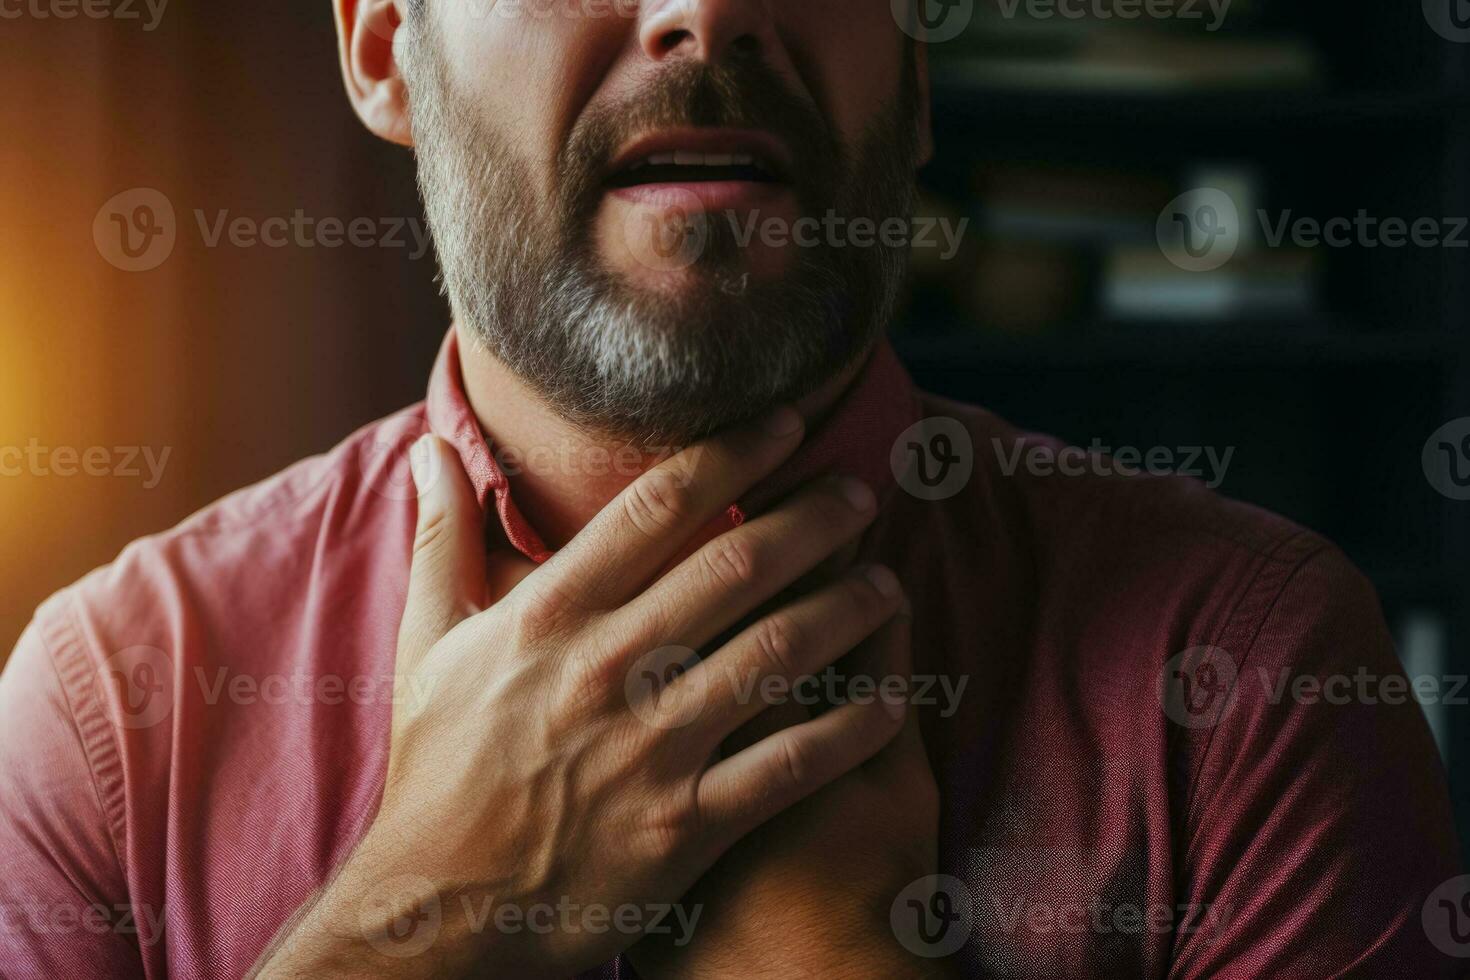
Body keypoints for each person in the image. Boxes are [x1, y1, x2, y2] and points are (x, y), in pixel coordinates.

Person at [0, 1, 1461, 976]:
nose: (706, 5)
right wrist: (429, 915)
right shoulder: (106, 702)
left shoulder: (1254, 674)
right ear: (386, 45)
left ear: (913, 69)